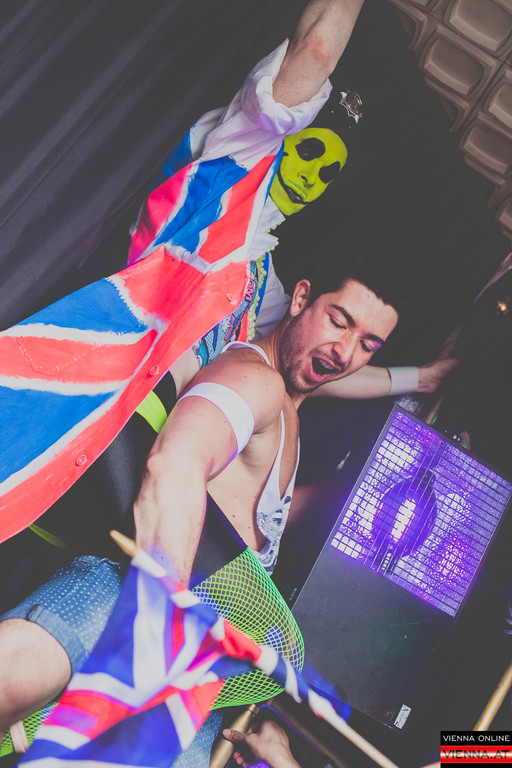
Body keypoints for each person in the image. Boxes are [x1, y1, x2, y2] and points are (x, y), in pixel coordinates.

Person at [0, 256, 402, 747]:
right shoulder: (256, 379)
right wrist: (157, 614)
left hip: (197, 666)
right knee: (14, 680)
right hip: (145, 603)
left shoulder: (288, 416)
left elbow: (247, 527)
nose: (344, 351)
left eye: (367, 345)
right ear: (300, 299)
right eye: (338, 321)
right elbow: (177, 461)